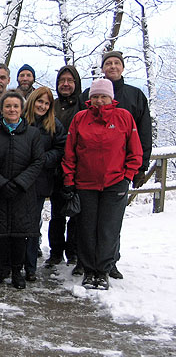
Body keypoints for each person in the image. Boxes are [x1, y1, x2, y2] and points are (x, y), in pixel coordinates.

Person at [63, 79, 142, 289]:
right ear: (89, 99)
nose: (99, 101)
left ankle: (103, 270)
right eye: (95, 96)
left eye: (103, 96)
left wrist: (127, 176)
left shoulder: (124, 117)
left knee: (109, 229)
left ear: (111, 98)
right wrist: (70, 179)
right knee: (87, 229)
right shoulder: (80, 118)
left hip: (115, 183)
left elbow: (135, 151)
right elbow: (70, 152)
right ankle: (89, 270)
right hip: (86, 183)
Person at [79, 51, 152, 280]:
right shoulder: (86, 100)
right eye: (108, 63)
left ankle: (109, 263)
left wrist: (136, 169)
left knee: (110, 223)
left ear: (122, 67)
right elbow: (75, 139)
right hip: (88, 176)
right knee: (89, 224)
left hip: (118, 173)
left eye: (116, 63)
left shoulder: (134, 96)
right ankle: (88, 264)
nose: (112, 66)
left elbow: (142, 135)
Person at [0, 90, 44, 289]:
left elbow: (37, 161)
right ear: (2, 109)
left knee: (19, 235)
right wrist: (0, 183)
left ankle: (17, 271)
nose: (12, 109)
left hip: (22, 194)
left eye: (16, 106)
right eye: (8, 106)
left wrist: (19, 183)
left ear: (22, 109)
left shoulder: (33, 134)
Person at [22, 87, 66, 281]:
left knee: (32, 224)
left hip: (40, 181)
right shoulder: (21, 120)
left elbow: (61, 149)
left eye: (46, 103)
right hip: (18, 178)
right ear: (33, 101)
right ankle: (10, 263)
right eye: (39, 101)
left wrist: (41, 159)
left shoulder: (54, 125)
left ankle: (30, 266)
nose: (42, 106)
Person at [47, 66, 81, 269]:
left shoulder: (83, 106)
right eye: (62, 80)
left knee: (76, 213)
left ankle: (74, 251)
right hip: (56, 168)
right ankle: (56, 251)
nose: (65, 84)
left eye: (70, 80)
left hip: (78, 168)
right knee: (57, 214)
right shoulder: (53, 106)